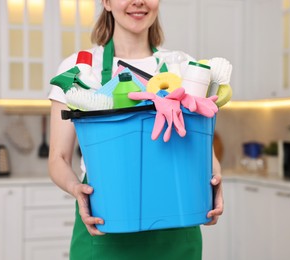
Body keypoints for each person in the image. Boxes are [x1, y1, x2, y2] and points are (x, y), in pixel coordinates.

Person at [48, 0, 224, 259]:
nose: (138, 2)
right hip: (109, 221)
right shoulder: (81, 71)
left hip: (177, 221)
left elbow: (202, 149)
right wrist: (77, 190)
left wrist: (214, 182)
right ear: (106, 2)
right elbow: (58, 158)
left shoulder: (183, 67)